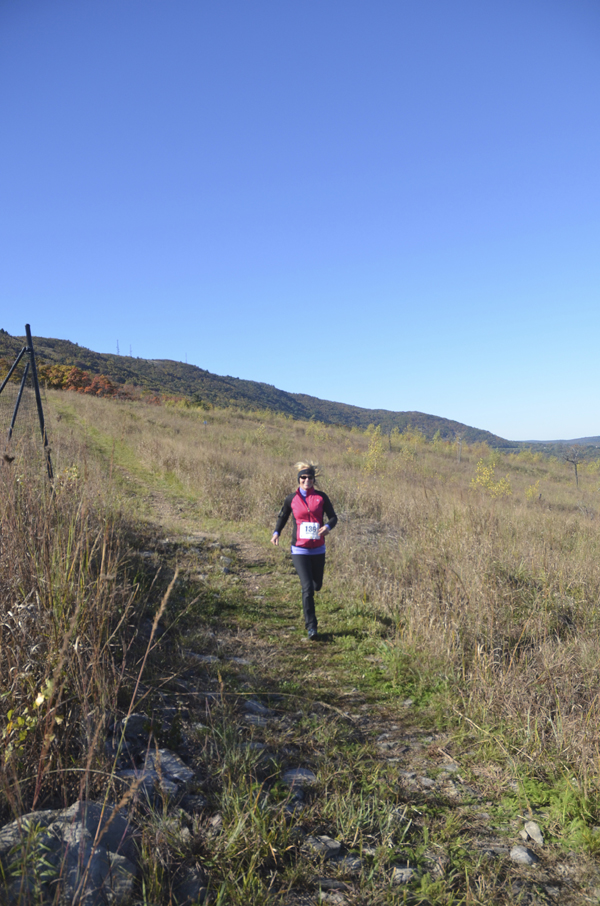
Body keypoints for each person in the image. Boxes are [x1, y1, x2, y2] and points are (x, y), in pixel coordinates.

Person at [271, 462, 337, 640]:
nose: (306, 480)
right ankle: (311, 627)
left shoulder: (321, 497)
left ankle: (314, 590)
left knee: (316, 585)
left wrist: (328, 527)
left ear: (314, 479)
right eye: (303, 477)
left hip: (318, 549)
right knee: (307, 588)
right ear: (298, 479)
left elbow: (333, 517)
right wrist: (276, 532)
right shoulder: (291, 499)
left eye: (309, 477)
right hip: (299, 549)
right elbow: (283, 516)